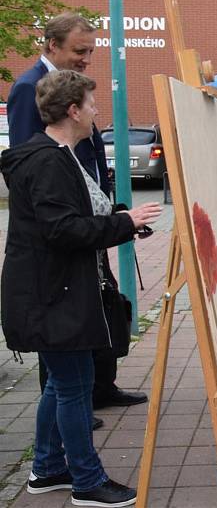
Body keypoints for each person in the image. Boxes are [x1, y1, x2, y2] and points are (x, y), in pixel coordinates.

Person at [0, 70, 162, 507]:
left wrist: (125, 222)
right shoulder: (49, 160)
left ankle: (48, 469)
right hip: (53, 295)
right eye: (91, 105)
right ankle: (87, 482)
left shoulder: (56, 155)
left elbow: (80, 218)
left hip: (55, 291)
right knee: (73, 386)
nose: (96, 113)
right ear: (73, 110)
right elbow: (63, 230)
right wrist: (124, 223)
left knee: (62, 384)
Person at [6, 12, 147, 418]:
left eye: (90, 50)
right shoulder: (31, 89)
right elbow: (28, 164)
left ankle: (99, 385)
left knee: (99, 300)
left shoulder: (74, 87)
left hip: (86, 215)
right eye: (79, 51)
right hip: (62, 226)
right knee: (65, 326)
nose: (86, 59)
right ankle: (72, 399)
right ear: (52, 45)